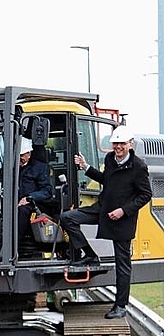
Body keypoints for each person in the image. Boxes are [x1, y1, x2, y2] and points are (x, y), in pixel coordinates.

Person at [60, 126, 152, 319]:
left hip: (122, 220)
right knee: (67, 218)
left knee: (122, 265)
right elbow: (106, 180)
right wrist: (86, 167)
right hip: (102, 209)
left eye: (122, 143)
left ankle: (120, 306)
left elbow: (145, 195)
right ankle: (91, 255)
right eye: (115, 143)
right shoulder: (110, 159)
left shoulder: (139, 167)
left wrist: (123, 211)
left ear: (130, 144)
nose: (118, 147)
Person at [17, 137, 53, 241]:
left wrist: (29, 198)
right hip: (12, 203)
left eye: (21, 156)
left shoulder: (40, 167)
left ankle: (12, 247)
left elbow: (47, 191)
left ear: (29, 154)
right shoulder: (9, 167)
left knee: (21, 211)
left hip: (32, 205)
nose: (19, 159)